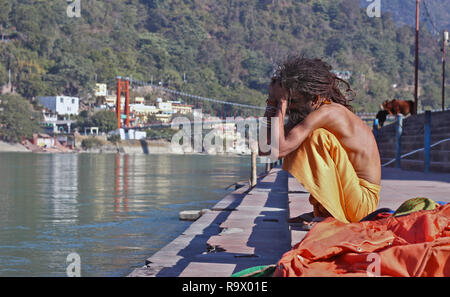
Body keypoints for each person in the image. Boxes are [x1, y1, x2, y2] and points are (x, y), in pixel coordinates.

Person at [260, 56, 381, 223]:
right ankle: (325, 212)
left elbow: (278, 149)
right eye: (289, 101)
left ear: (315, 99)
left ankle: (330, 215)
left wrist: (280, 101)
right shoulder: (308, 112)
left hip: (362, 205)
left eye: (293, 101)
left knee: (315, 138)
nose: (290, 106)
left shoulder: (329, 112)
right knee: (294, 138)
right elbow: (265, 149)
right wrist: (271, 102)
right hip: (352, 200)